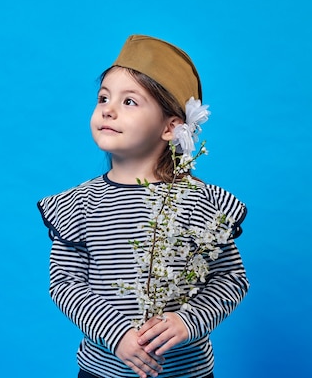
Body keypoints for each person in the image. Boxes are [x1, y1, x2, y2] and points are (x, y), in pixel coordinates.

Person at [37, 35, 248, 378]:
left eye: (130, 101)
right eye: (103, 97)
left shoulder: (201, 203)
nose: (108, 108)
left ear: (170, 127)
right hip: (103, 371)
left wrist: (187, 321)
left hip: (187, 373)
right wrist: (116, 334)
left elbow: (230, 277)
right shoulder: (80, 204)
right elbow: (65, 281)